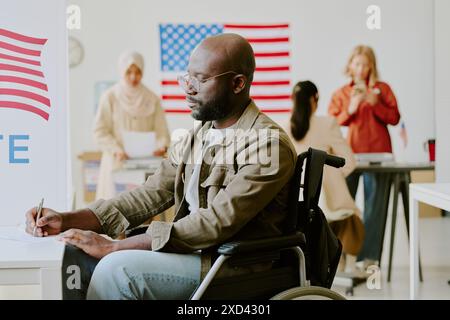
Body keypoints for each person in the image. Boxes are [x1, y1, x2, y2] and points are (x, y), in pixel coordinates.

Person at [24, 34, 297, 300]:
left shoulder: (268, 145)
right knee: (72, 254)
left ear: (238, 83)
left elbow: (214, 223)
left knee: (116, 271)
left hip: (227, 264)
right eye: (188, 77)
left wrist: (114, 246)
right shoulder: (197, 136)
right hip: (193, 254)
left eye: (201, 80)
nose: (189, 88)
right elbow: (147, 195)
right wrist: (66, 220)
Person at [328, 45, 400, 267]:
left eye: (365, 64)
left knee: (374, 208)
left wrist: (375, 104)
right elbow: (332, 124)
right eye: (357, 63)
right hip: (350, 157)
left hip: (379, 156)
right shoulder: (341, 93)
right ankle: (336, 255)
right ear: (350, 65)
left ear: (372, 66)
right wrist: (351, 109)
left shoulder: (383, 89)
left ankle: (367, 258)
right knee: (341, 206)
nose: (361, 68)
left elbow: (395, 118)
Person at [284, 80, 364, 273]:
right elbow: (349, 162)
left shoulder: (283, 125)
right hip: (326, 205)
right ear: (315, 100)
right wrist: (330, 177)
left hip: (292, 206)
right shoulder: (327, 124)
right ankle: (348, 267)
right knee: (353, 220)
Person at [94, 51, 171, 200]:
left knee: (144, 207)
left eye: (138, 72)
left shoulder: (152, 98)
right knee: (113, 210)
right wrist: (116, 149)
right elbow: (100, 131)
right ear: (122, 71)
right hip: (117, 164)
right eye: (129, 72)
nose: (133, 77)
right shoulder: (110, 97)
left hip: (146, 166)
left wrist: (162, 146)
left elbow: (162, 131)